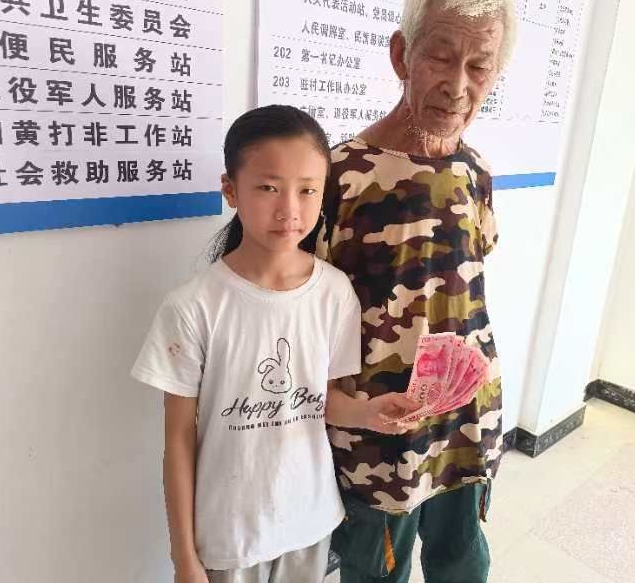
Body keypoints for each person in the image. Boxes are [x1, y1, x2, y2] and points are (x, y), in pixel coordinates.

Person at [131, 105, 419, 583]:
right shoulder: (193, 306)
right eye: (268, 188)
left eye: (308, 190)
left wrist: (369, 413)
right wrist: (184, 556)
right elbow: (178, 439)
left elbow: (324, 401)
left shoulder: (334, 292)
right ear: (230, 190)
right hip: (229, 536)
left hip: (309, 522)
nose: (290, 210)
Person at [315, 0, 518, 582]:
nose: (457, 86)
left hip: (465, 419)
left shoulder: (476, 170)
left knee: (462, 558)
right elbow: (298, 315)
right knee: (375, 568)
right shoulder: (337, 175)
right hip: (376, 428)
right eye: (441, 56)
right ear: (402, 54)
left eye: (479, 66)